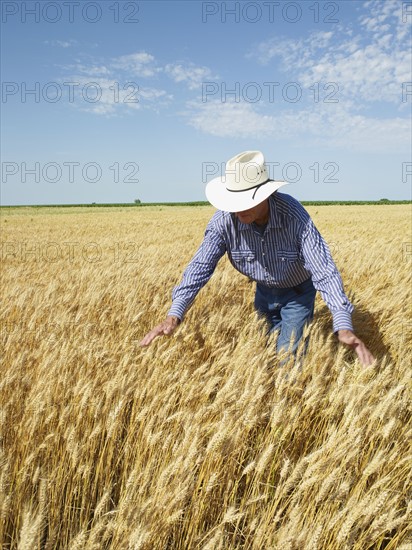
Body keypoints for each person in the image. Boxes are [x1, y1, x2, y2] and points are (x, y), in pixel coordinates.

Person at [140, 151, 375, 367]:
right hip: (263, 293)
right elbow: (199, 268)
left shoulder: (294, 216)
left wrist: (343, 324)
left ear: (266, 195)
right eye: (233, 201)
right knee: (263, 352)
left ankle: (288, 401)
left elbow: (323, 269)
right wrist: (174, 316)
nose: (237, 209)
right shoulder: (223, 221)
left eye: (245, 200)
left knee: (287, 358)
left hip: (297, 293)